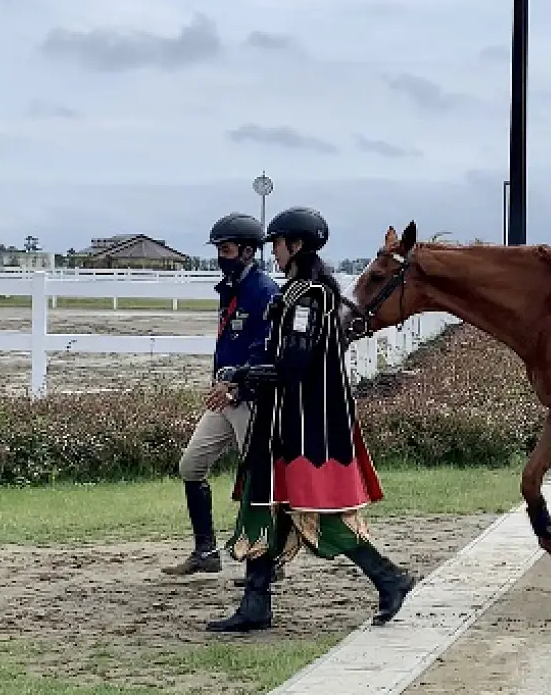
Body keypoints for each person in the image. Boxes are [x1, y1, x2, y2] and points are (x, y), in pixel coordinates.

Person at [206, 206, 417, 633]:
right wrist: (243, 373)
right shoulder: (295, 293)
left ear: (297, 245)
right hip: (279, 421)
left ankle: (389, 578)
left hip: (303, 428)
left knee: (318, 514)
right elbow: (275, 354)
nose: (274, 252)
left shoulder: (310, 297)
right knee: (263, 507)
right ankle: (255, 605)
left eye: (278, 244)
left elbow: (293, 367)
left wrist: (243, 375)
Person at [161, 213, 281, 582]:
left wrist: (237, 384)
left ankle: (270, 558)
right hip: (224, 397)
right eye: (219, 250)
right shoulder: (230, 288)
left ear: (247, 252)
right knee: (191, 466)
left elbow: (266, 349)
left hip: (249, 399)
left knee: (260, 479)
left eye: (225, 250)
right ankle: (206, 552)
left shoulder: (264, 291)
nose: (220, 257)